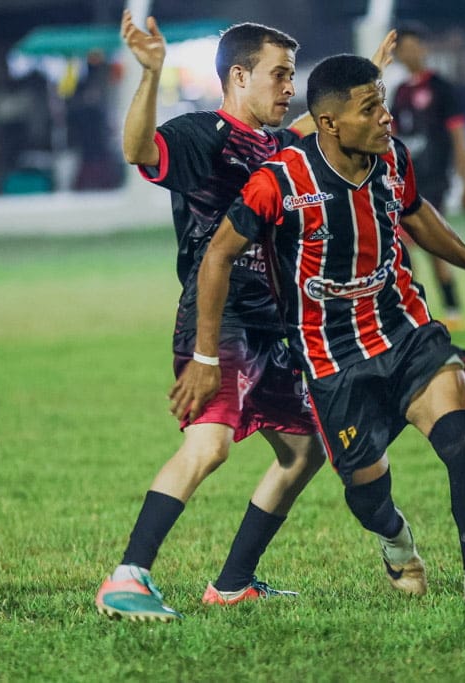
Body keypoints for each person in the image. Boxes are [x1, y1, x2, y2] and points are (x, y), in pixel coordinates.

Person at [171, 55, 465, 607]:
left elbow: (415, 212)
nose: (387, 117)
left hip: (405, 329)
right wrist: (206, 356)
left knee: (464, 440)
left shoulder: (391, 159)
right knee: (367, 497)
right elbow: (218, 256)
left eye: (384, 103)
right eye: (371, 108)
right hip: (331, 359)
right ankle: (395, 537)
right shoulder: (280, 180)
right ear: (330, 123)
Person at [95, 12, 395, 622]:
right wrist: (150, 74)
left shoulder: (281, 147)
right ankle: (126, 577)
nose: (290, 86)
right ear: (238, 77)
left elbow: (320, 121)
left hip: (274, 324)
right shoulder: (203, 135)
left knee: (306, 450)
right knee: (209, 446)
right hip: (219, 318)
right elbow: (137, 150)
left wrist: (365, 83)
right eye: (279, 74)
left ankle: (233, 583)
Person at [391, 26, 465, 332]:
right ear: (398, 54)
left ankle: (453, 310)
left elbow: (458, 137)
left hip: (435, 181)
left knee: (433, 246)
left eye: (416, 45)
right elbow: (392, 140)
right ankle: (415, 313)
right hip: (405, 183)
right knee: (401, 248)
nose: (411, 52)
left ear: (425, 49)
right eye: (405, 47)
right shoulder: (399, 93)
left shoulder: (443, 89)